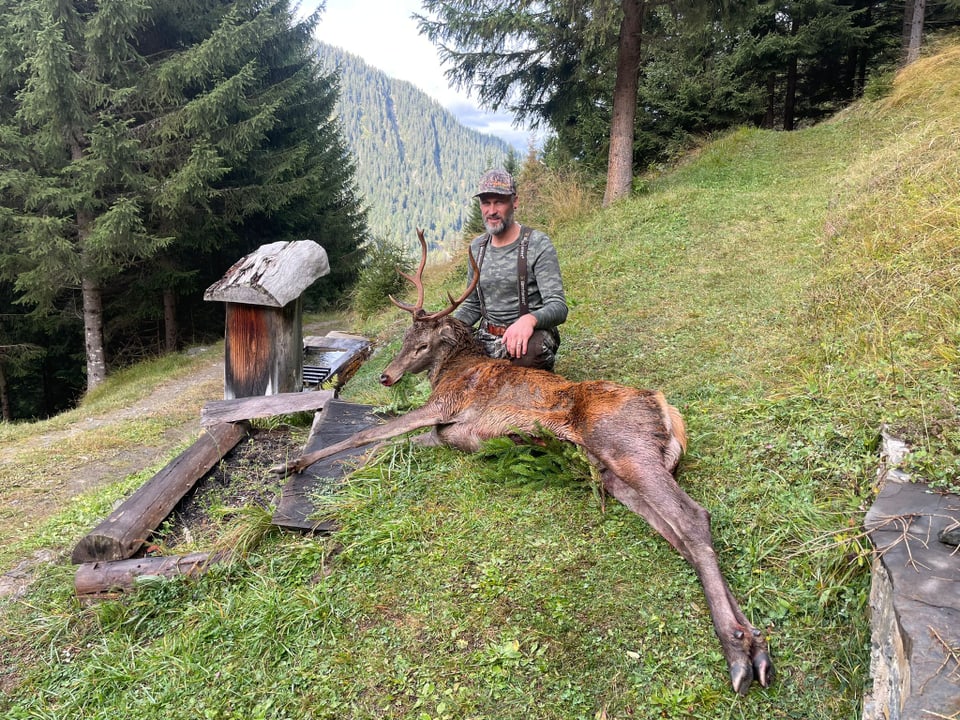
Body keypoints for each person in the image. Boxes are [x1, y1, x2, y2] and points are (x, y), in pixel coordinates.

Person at [453, 168, 567, 371]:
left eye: (499, 202)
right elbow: (472, 305)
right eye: (486, 203)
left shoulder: (537, 244)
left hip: (527, 338)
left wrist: (530, 320)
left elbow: (558, 306)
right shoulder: (477, 248)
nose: (492, 210)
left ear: (515, 202)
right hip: (487, 336)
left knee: (531, 354)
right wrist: (446, 328)